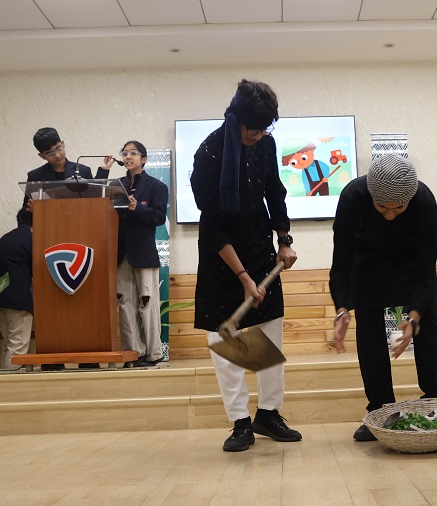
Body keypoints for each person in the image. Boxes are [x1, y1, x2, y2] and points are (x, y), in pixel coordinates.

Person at [190, 79, 301, 452]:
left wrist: (284, 241)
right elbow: (214, 226)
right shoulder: (209, 154)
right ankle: (240, 422)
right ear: (235, 119)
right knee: (227, 343)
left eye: (265, 128)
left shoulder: (265, 143)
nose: (258, 135)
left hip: (259, 248)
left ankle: (268, 414)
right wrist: (242, 277)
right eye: (253, 129)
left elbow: (275, 192)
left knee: (269, 334)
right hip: (221, 258)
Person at [329, 154, 437, 442]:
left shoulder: (423, 201)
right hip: (367, 260)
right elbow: (341, 261)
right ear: (372, 195)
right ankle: (380, 409)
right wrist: (342, 309)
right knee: (369, 329)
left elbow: (425, 269)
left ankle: (435, 401)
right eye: (382, 208)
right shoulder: (353, 197)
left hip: (411, 260)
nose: (390, 215)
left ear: (410, 199)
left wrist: (414, 317)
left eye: (399, 209)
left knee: (427, 323)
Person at [103, 141, 168, 369]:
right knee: (124, 304)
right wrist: (104, 171)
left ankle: (154, 352)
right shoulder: (116, 185)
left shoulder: (157, 186)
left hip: (143, 253)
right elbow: (95, 200)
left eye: (133, 153)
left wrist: (137, 208)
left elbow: (159, 217)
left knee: (147, 302)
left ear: (144, 159)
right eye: (125, 153)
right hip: (120, 253)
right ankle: (133, 351)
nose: (128, 156)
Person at [22, 127, 110, 211]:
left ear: (63, 144)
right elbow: (24, 213)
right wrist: (35, 210)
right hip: (48, 220)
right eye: (50, 153)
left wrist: (103, 170)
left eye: (58, 148)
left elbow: (95, 199)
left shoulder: (83, 171)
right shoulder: (35, 176)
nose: (57, 155)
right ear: (42, 156)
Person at [0, 209, 34, 370]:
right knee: (17, 346)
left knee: (8, 344)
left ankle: (3, 379)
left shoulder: (5, 238)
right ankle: (12, 382)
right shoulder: (32, 239)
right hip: (18, 299)